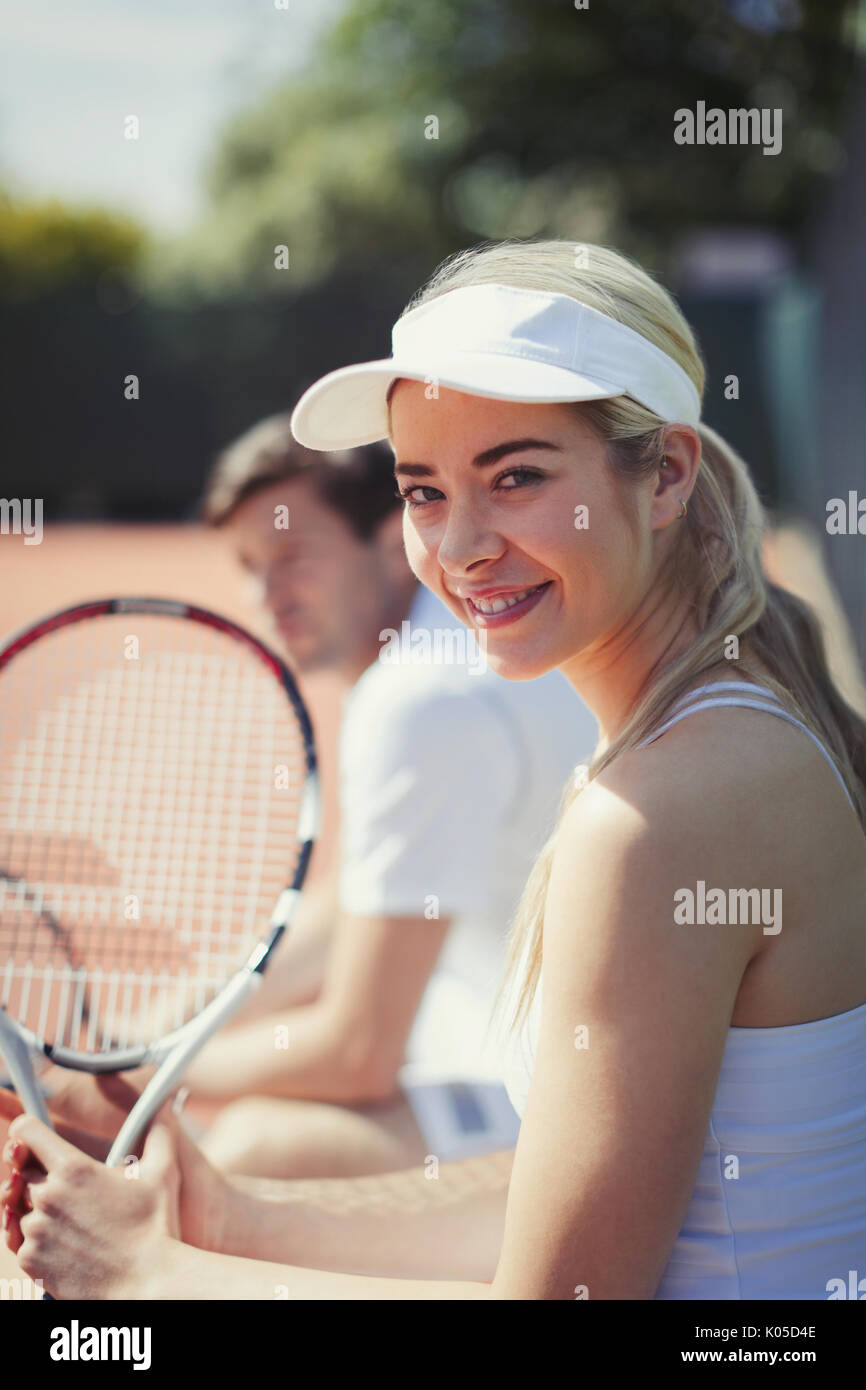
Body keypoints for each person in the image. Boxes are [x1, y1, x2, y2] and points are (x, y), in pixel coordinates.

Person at [4, 237, 866, 1300]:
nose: (459, 546)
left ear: (666, 475)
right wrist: (220, 1215)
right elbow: (553, 1199)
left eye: (516, 477)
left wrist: (146, 1277)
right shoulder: (708, 732)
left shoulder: (660, 808)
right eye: (423, 491)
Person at [170, 420, 595, 1178]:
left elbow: (359, 1053)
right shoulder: (481, 640)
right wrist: (164, 1029)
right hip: (550, 1048)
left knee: (248, 1152)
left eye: (292, 558)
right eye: (248, 565)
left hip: (577, 1113)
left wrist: (140, 1077)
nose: (264, 596)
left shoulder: (420, 700)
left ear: (392, 539)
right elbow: (366, 903)